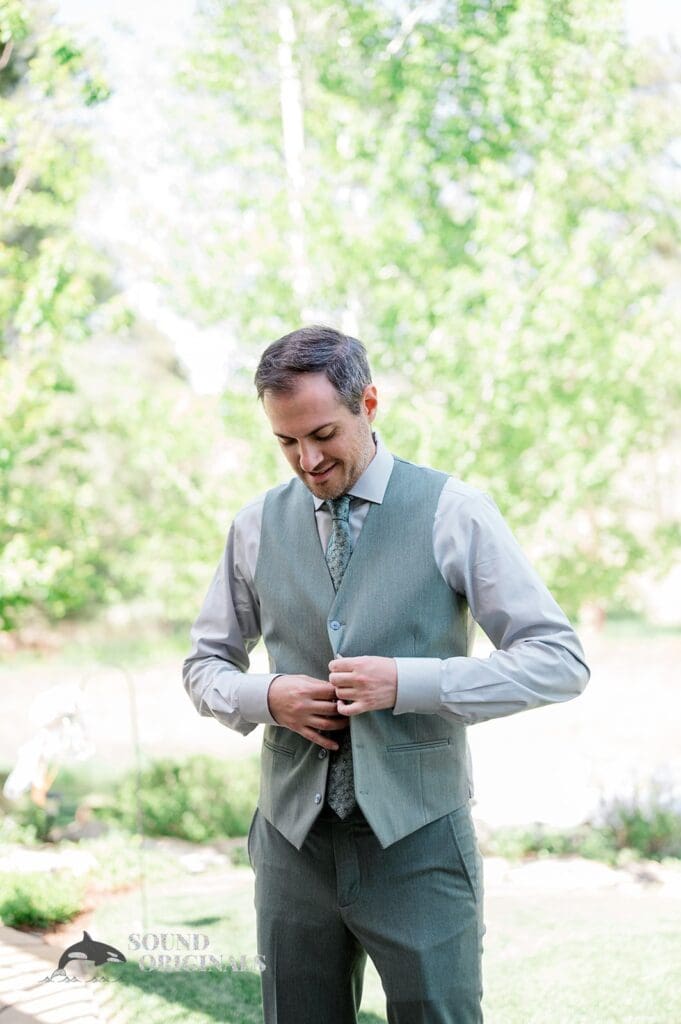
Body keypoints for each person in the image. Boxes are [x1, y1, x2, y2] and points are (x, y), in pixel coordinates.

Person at [182, 325, 590, 1024]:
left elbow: (558, 659)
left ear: (368, 404)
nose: (308, 460)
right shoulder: (254, 526)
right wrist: (266, 696)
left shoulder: (454, 511)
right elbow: (203, 665)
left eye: (323, 434)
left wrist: (410, 683)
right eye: (286, 442)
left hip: (419, 843)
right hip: (291, 846)